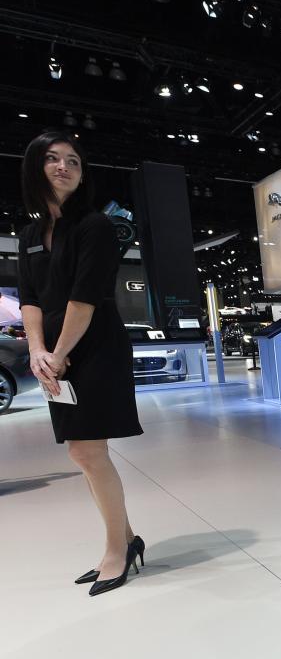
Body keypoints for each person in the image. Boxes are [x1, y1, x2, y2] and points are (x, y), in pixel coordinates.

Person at [17, 132, 144, 597]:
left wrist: (59, 350)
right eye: (53, 159)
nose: (64, 167)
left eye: (73, 160)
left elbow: (84, 298)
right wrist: (37, 350)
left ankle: (116, 550)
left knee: (88, 452)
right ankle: (127, 540)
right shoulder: (31, 234)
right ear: (36, 167)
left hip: (95, 347)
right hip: (54, 351)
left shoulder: (95, 226)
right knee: (82, 452)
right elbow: (29, 298)